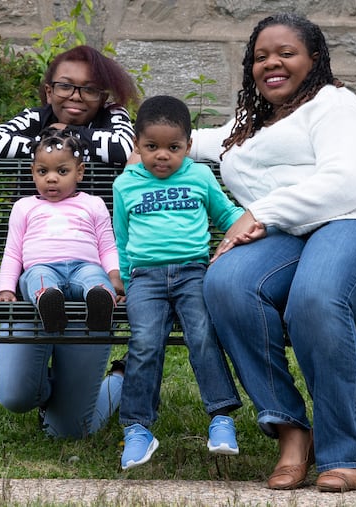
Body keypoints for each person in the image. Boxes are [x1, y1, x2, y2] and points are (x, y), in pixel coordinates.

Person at [189, 13, 356, 492]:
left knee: (315, 296)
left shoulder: (336, 105)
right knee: (226, 283)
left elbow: (345, 183)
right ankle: (291, 430)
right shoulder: (249, 123)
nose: (272, 63)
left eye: (286, 53)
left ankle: (344, 452)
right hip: (290, 234)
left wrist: (260, 213)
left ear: (313, 58)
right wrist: (110, 138)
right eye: (261, 56)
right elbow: (193, 143)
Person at [112, 95, 244, 470]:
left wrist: (254, 222)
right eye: (151, 147)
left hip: (192, 273)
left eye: (174, 147)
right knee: (144, 343)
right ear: (137, 144)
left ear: (188, 145)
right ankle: (137, 428)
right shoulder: (125, 185)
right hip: (145, 280)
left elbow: (226, 213)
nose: (162, 156)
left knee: (202, 335)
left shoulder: (200, 176)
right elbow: (121, 237)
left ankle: (221, 419)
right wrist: (124, 280)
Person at [0, 127, 125, 439]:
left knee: (94, 279)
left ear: (80, 173)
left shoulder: (92, 204)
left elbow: (107, 247)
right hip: (41, 271)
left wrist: (115, 282)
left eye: (61, 171)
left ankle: (100, 305)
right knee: (38, 280)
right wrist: (6, 289)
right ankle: (48, 303)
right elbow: (13, 252)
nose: (51, 179)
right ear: (33, 173)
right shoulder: (25, 206)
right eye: (43, 171)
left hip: (84, 268)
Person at [0, 45, 139, 167]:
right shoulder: (36, 117)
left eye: (89, 89)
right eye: (65, 86)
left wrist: (65, 131)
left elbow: (125, 148)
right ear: (49, 92)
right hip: (37, 210)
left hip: (95, 211)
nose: (76, 96)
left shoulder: (112, 113)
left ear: (102, 98)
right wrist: (59, 144)